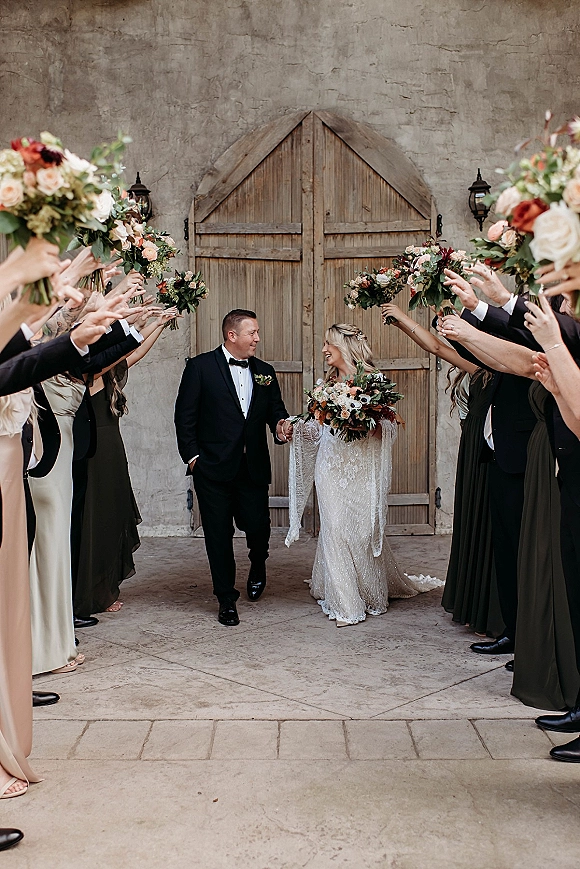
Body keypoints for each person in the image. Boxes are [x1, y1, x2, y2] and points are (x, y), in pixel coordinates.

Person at [286, 323, 442, 626]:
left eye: (328, 344)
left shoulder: (374, 382)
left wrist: (366, 426)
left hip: (361, 469)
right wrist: (294, 427)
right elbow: (317, 428)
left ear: (345, 346)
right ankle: (345, 603)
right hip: (330, 466)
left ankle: (368, 591)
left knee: (360, 531)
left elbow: (391, 426)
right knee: (335, 529)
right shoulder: (324, 384)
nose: (323, 350)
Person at [380, 303, 503, 637]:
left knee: (489, 525)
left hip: (490, 450)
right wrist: (403, 320)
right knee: (473, 522)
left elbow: (436, 345)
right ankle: (474, 604)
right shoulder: (479, 365)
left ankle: (492, 610)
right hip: (473, 447)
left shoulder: (503, 366)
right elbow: (435, 345)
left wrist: (406, 319)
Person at [175, 309, 290, 626]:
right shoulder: (199, 368)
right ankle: (226, 598)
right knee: (218, 535)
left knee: (257, 525)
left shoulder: (265, 371)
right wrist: (193, 459)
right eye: (252, 332)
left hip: (252, 466)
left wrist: (280, 426)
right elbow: (185, 417)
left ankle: (258, 562)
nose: (257, 338)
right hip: (211, 469)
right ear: (232, 335)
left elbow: (275, 410)